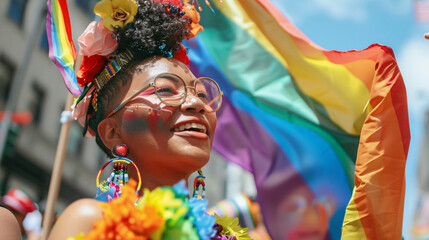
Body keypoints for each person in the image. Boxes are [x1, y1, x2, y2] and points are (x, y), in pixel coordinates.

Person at [47, 0, 224, 239]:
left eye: (202, 94)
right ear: (112, 132)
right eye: (166, 90)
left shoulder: (221, 234)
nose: (197, 104)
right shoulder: (92, 221)